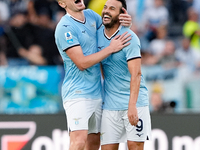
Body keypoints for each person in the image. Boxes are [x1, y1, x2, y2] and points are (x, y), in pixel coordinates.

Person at [54, 0, 132, 150]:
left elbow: (110, 33)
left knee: (94, 142)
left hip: (97, 91)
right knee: (78, 141)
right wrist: (110, 49)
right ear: (62, 3)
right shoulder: (64, 28)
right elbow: (82, 63)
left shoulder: (91, 16)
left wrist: (125, 24)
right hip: (77, 92)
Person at [97, 0, 151, 149]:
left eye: (112, 9)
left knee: (135, 147)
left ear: (122, 14)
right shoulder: (97, 36)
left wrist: (132, 105)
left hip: (135, 103)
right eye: (105, 7)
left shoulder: (129, 38)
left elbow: (137, 74)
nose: (106, 11)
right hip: (110, 105)